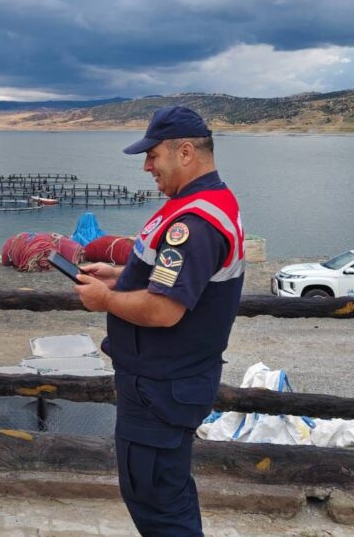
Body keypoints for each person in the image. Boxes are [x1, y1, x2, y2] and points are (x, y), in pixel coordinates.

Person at [74, 106, 245, 537]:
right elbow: (172, 278)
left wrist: (106, 300)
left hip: (161, 387)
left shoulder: (194, 222)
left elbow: (166, 309)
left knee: (156, 499)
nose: (147, 165)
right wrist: (121, 275)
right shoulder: (199, 203)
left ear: (185, 151)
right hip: (168, 383)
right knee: (165, 492)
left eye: (153, 155)